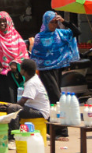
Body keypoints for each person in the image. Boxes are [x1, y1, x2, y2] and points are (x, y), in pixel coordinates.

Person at [30, 11, 80, 141]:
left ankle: (58, 131)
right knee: (53, 98)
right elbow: (35, 55)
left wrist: (64, 22)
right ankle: (59, 131)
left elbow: (76, 32)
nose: (54, 24)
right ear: (46, 22)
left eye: (55, 22)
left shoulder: (61, 34)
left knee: (55, 99)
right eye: (52, 22)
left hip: (57, 70)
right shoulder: (39, 37)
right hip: (44, 71)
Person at [5, 59, 50, 147]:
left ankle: (13, 138)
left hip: (40, 112)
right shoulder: (33, 78)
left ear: (24, 71)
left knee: (13, 109)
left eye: (20, 68)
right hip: (36, 109)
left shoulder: (32, 83)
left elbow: (22, 102)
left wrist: (10, 105)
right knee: (11, 107)